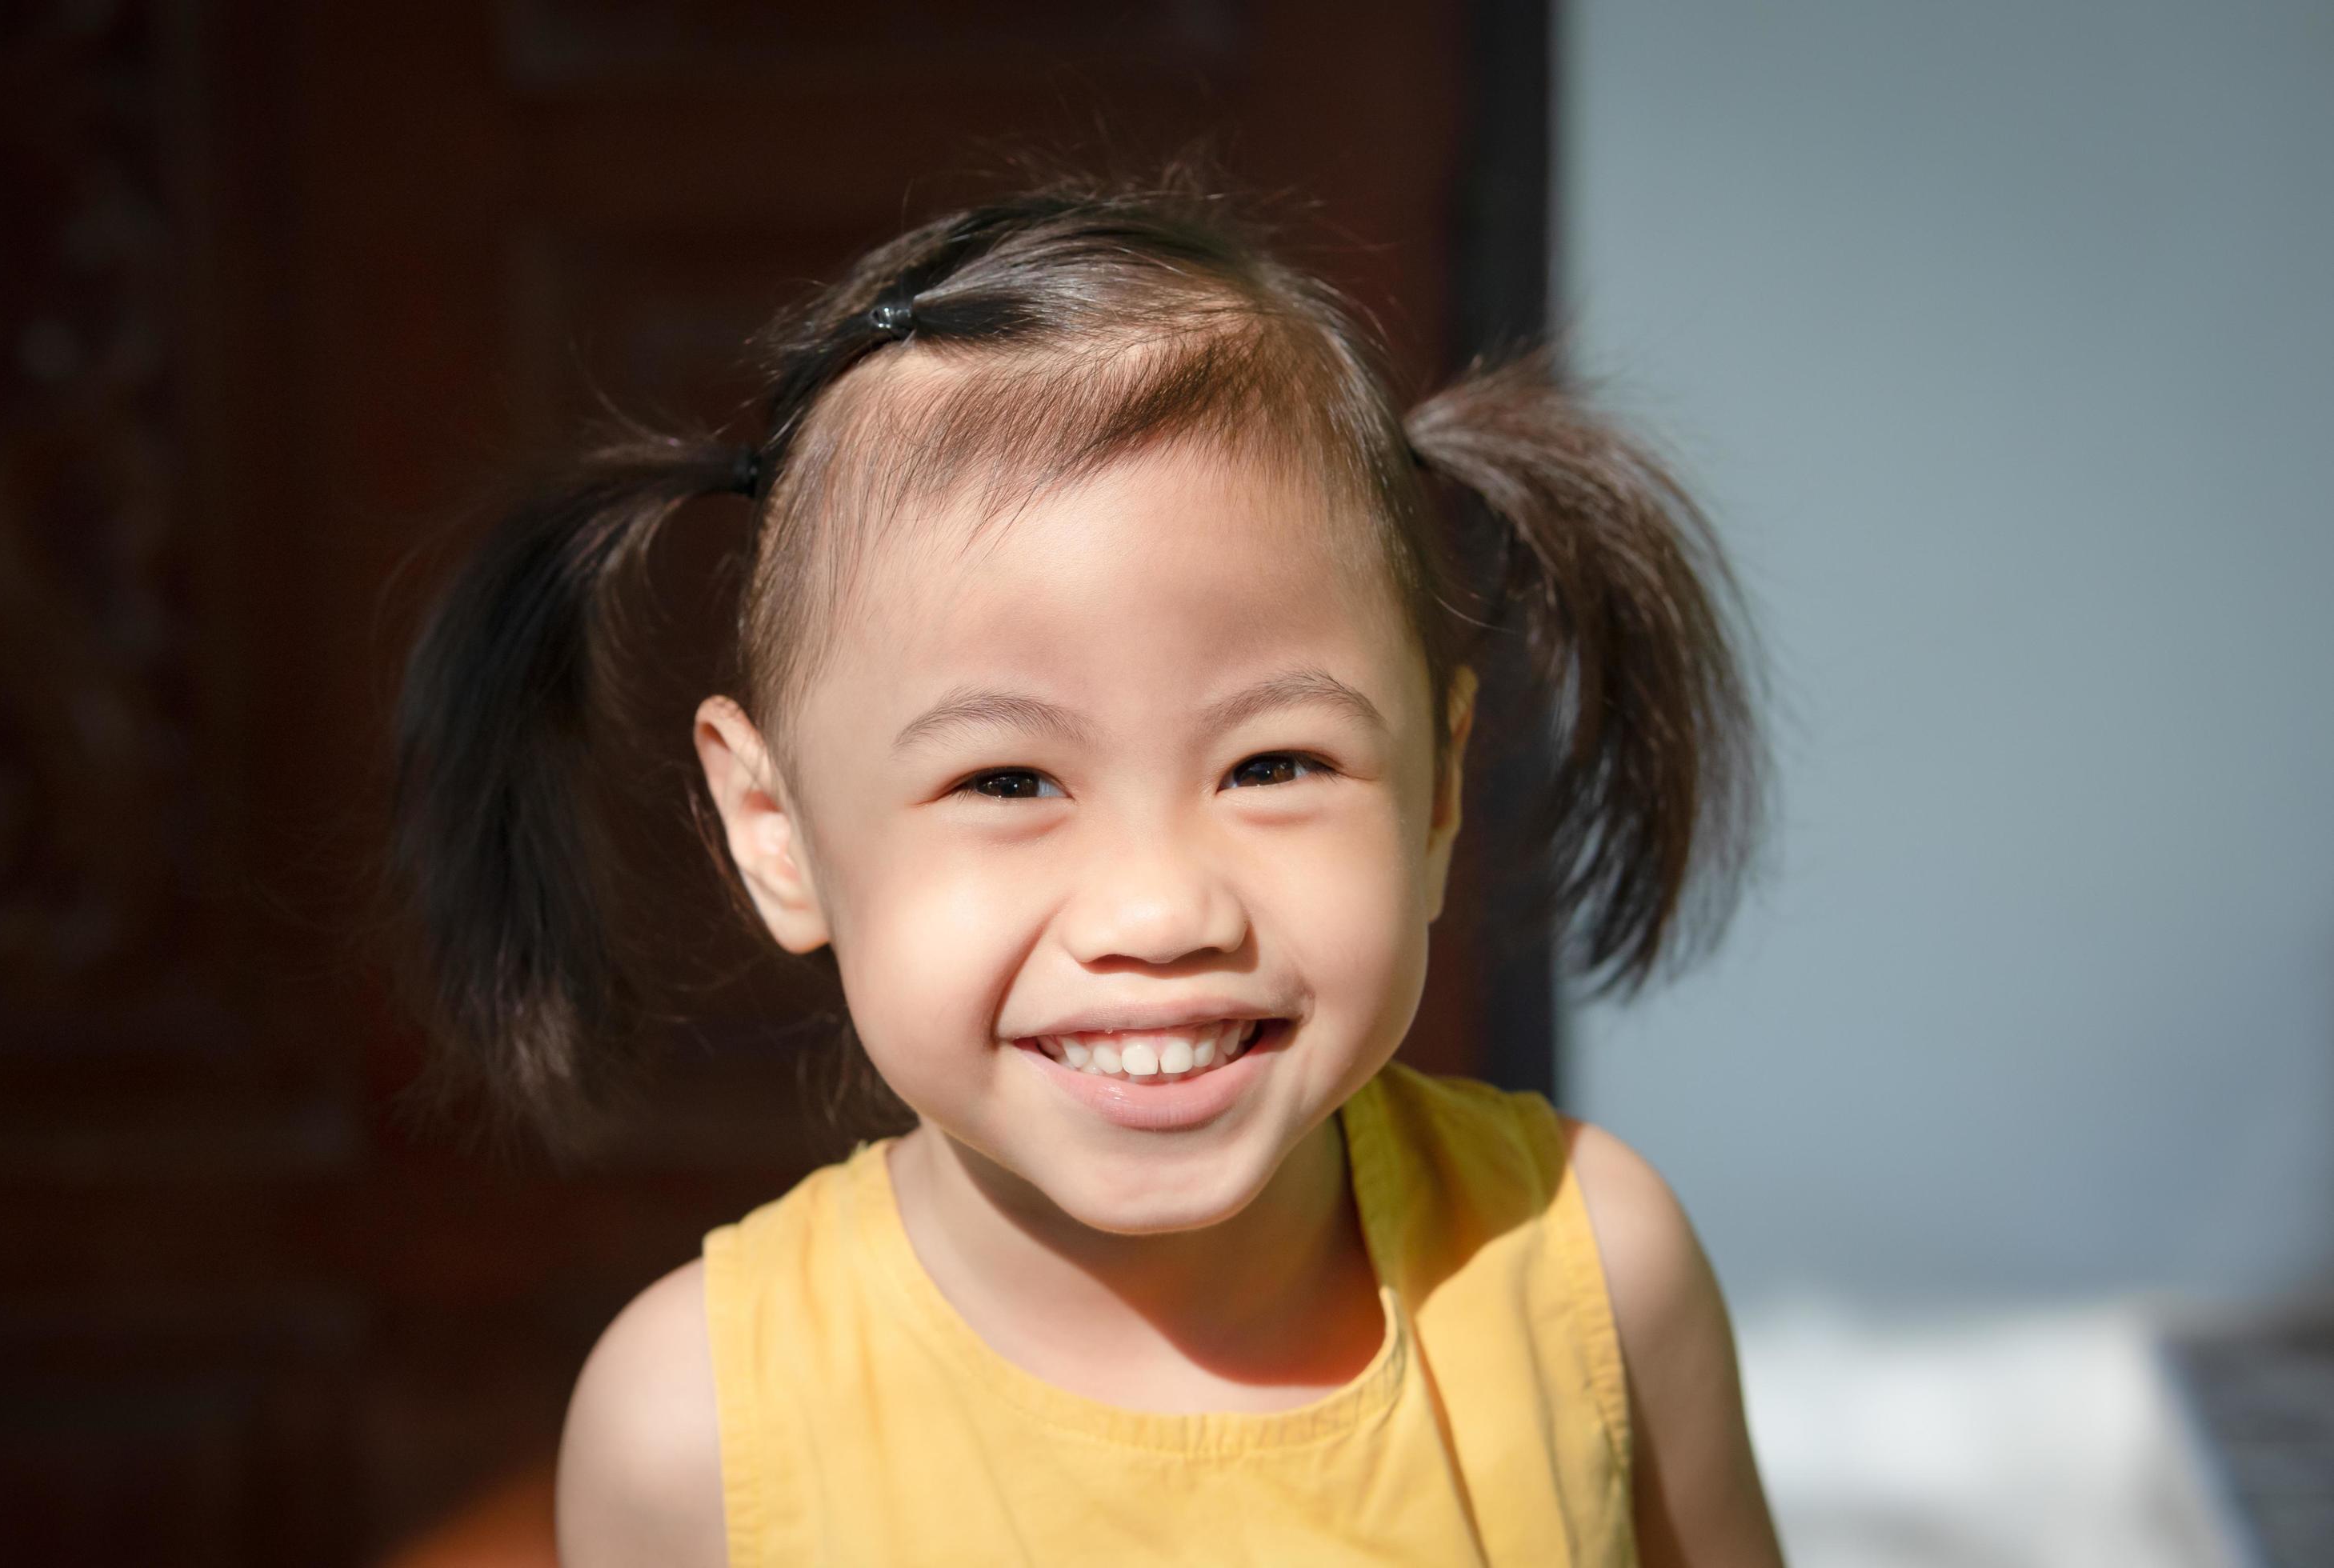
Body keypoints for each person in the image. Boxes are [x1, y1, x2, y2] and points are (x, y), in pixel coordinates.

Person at [392, 168, 1784, 1566]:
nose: (1161, 910)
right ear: (780, 833)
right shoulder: (693, 1427)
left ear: (1437, 798)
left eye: (1275, 765)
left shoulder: (1589, 1275)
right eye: (1006, 781)